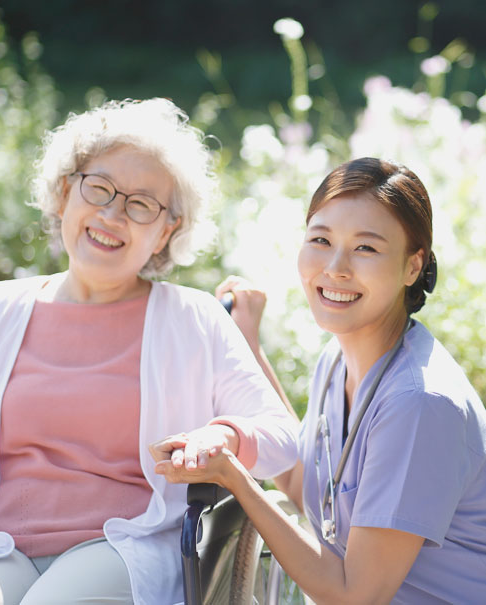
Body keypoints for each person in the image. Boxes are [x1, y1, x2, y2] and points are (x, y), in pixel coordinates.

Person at [0, 98, 299, 605]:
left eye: (141, 205)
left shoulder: (193, 319)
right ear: (66, 192)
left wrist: (223, 434)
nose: (112, 215)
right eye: (99, 189)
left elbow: (284, 439)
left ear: (166, 230)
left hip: (117, 546)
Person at [152, 157, 486, 604]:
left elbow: (354, 596)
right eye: (321, 240)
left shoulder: (419, 403)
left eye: (366, 248)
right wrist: (249, 346)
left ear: (412, 266)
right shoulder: (338, 359)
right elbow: (305, 483)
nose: (335, 267)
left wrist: (235, 478)